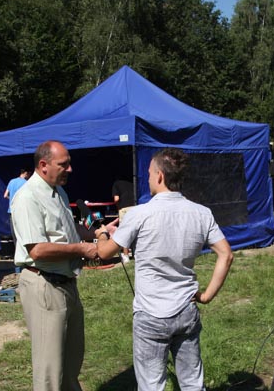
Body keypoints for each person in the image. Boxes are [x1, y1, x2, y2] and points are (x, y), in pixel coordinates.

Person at [96, 147, 234, 391]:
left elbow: (104, 252)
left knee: (151, 385)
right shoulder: (202, 213)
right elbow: (226, 254)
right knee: (192, 382)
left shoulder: (139, 214)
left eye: (149, 173)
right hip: (186, 309)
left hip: (150, 314)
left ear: (159, 176)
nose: (148, 178)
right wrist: (207, 295)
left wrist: (103, 234)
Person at [11, 140, 101, 391]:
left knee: (71, 361)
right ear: (43, 165)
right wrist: (82, 249)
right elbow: (37, 249)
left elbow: (70, 231)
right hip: (44, 285)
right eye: (64, 164)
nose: (70, 169)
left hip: (66, 283)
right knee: (50, 371)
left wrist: (98, 233)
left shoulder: (58, 191)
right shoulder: (27, 197)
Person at [111, 178, 135, 263]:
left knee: (125, 233)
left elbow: (116, 199)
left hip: (124, 208)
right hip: (135, 208)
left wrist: (118, 207)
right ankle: (136, 254)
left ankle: (126, 255)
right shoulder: (132, 183)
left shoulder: (116, 183)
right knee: (135, 232)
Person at [3, 168, 29, 241]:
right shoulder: (26, 183)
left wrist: (12, 199)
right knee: (23, 233)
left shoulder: (12, 181)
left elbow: (5, 195)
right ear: (26, 173)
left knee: (15, 234)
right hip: (22, 211)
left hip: (11, 211)